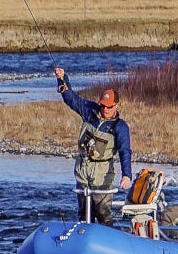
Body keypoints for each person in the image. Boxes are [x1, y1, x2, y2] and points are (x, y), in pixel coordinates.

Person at [52, 67, 132, 225]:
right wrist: (62, 79)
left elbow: (125, 152)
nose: (105, 109)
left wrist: (126, 175)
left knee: (102, 213)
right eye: (103, 105)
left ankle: (106, 240)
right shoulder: (89, 111)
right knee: (83, 213)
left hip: (102, 175)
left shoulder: (120, 127)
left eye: (109, 106)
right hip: (83, 171)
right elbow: (71, 99)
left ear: (116, 105)